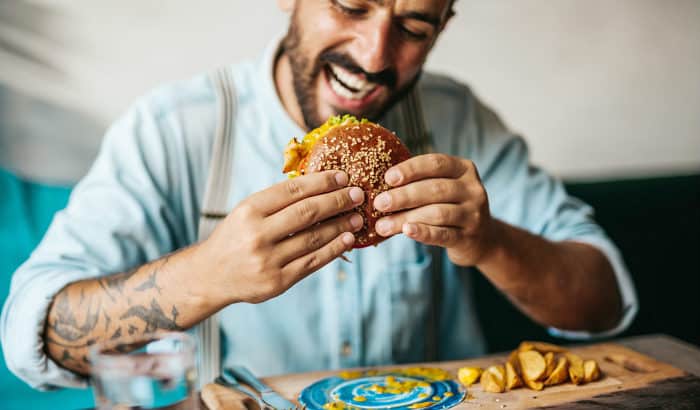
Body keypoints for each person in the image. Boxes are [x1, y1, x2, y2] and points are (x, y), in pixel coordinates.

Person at [2, 0, 636, 390]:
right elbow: (38, 335)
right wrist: (207, 276)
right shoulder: (175, 128)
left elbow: (602, 303)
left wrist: (490, 242)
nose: (374, 54)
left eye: (414, 25)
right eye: (350, 6)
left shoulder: (459, 121)